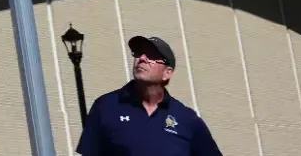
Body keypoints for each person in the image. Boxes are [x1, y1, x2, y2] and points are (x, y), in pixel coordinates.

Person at [76, 34, 223, 156]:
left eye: (152, 55)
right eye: (139, 53)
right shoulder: (106, 107)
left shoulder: (187, 119)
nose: (142, 58)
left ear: (167, 73)